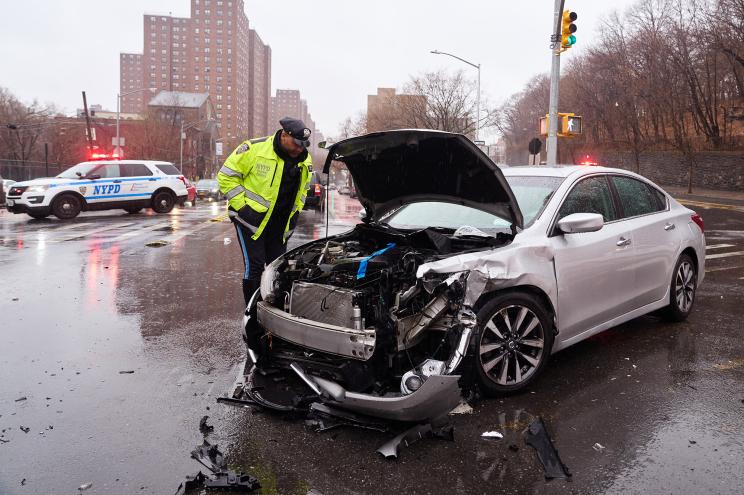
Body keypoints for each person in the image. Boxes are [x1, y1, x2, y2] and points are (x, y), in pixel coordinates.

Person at [218, 117, 313, 305]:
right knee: (255, 267)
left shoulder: (304, 159)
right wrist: (243, 207)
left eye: (303, 145)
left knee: (276, 268)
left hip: (279, 225)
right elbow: (226, 176)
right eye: (296, 144)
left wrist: (295, 214)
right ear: (284, 135)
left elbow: (303, 190)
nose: (299, 149)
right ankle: (252, 312)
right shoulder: (254, 149)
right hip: (250, 221)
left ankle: (272, 307)